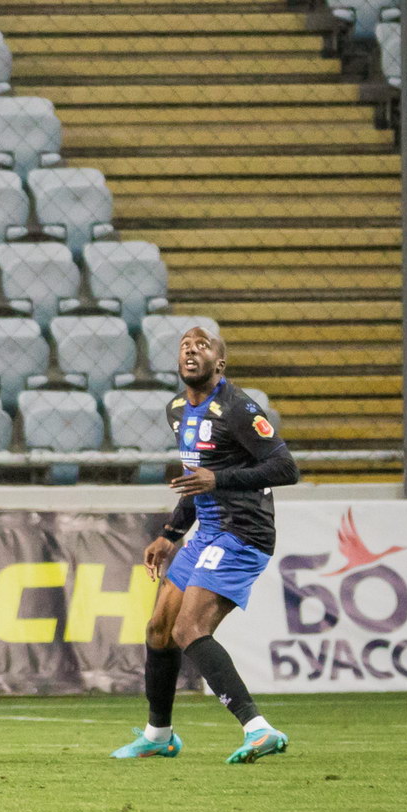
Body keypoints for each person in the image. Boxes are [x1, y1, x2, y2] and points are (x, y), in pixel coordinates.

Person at [111, 326, 300, 765]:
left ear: (220, 363)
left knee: (189, 629)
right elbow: (196, 480)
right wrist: (170, 534)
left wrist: (220, 479)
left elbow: (285, 468)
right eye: (184, 346)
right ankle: (159, 736)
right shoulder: (177, 409)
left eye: (202, 345)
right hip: (207, 532)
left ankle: (259, 728)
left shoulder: (238, 408)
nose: (191, 350)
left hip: (243, 532)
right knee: (159, 630)